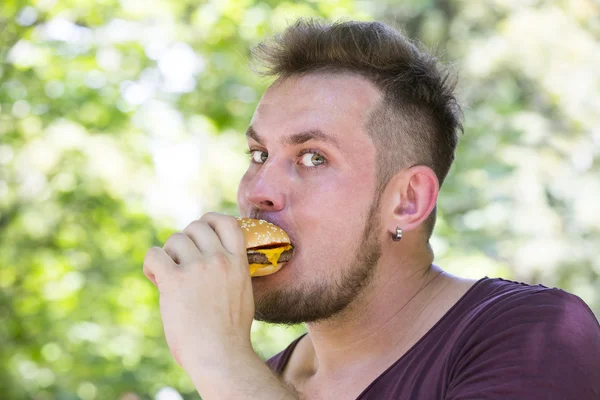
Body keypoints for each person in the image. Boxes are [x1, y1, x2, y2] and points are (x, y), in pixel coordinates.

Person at [142, 19, 600, 399]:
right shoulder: (260, 380)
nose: (259, 191)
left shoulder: (534, 333)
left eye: (313, 157)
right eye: (259, 155)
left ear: (407, 201)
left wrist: (219, 358)